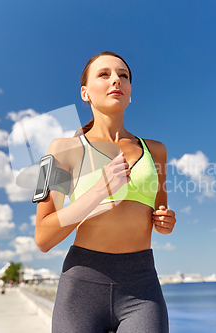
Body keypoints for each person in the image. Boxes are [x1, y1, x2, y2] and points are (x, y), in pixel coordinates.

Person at [35, 51, 177, 333]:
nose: (116, 80)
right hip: (81, 288)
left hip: (142, 287)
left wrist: (165, 222)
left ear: (130, 92)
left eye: (123, 76)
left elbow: (159, 218)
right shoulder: (60, 150)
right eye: (104, 74)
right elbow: (43, 236)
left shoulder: (156, 151)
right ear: (85, 93)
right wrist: (99, 191)